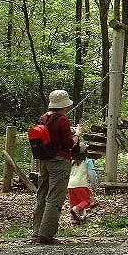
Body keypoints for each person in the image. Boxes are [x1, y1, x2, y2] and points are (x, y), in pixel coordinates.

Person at [33, 89, 80, 245]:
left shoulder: (43, 118)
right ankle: (46, 235)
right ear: (63, 105)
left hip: (44, 161)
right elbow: (69, 144)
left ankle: (37, 230)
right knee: (54, 198)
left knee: (42, 196)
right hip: (59, 162)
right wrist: (77, 135)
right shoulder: (63, 120)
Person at [67, 143, 97, 224]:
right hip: (81, 184)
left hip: (70, 185)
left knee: (74, 202)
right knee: (86, 201)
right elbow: (92, 174)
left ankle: (74, 219)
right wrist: (94, 186)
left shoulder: (71, 161)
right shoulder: (88, 161)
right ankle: (77, 209)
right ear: (85, 152)